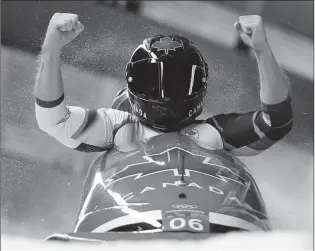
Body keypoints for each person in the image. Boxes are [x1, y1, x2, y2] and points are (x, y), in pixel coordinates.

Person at [34, 13, 292, 155]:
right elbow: (277, 120)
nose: (165, 95)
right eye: (153, 84)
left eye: (177, 83)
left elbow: (277, 120)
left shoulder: (211, 135)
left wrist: (262, 50)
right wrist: (262, 52)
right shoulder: (119, 127)